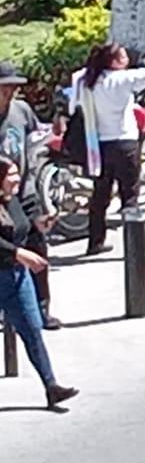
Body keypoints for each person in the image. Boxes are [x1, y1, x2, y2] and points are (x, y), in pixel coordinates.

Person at [71, 31, 145, 256]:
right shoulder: (122, 80)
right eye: (122, 57)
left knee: (100, 196)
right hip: (125, 144)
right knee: (130, 196)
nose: (126, 60)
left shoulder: (88, 81)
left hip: (100, 147)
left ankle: (95, 242)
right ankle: (136, 246)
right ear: (114, 62)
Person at [0, 158, 76, 409]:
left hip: (17, 278)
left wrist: (39, 225)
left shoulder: (12, 201)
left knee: (32, 330)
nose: (17, 178)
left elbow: (22, 227)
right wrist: (17, 253)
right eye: (11, 174)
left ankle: (51, 386)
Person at [0, 63, 55, 328]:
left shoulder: (21, 111)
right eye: (4, 88)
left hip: (24, 190)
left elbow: (35, 139)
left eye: (13, 88)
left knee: (37, 246)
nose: (9, 93)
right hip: (1, 198)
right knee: (7, 253)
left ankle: (42, 308)